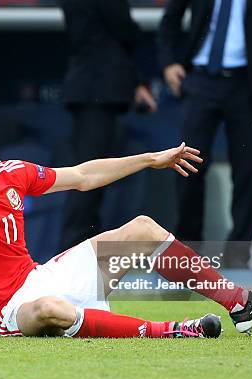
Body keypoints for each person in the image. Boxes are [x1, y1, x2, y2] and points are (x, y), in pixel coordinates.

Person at [0, 116, 252, 339]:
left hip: (41, 276)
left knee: (143, 228)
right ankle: (175, 330)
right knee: (52, 308)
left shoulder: (12, 172)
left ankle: (242, 304)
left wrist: (151, 158)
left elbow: (83, 175)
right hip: (7, 311)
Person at [158, 0, 252, 266]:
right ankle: (188, 252)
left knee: (248, 172)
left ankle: (238, 256)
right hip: (201, 80)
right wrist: (168, 63)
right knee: (188, 165)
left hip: (247, 84)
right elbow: (170, 20)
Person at [59, 0, 158, 251]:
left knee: (91, 175)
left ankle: (80, 248)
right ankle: (73, 249)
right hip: (96, 88)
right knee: (87, 176)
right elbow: (123, 28)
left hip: (93, 87)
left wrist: (134, 82)